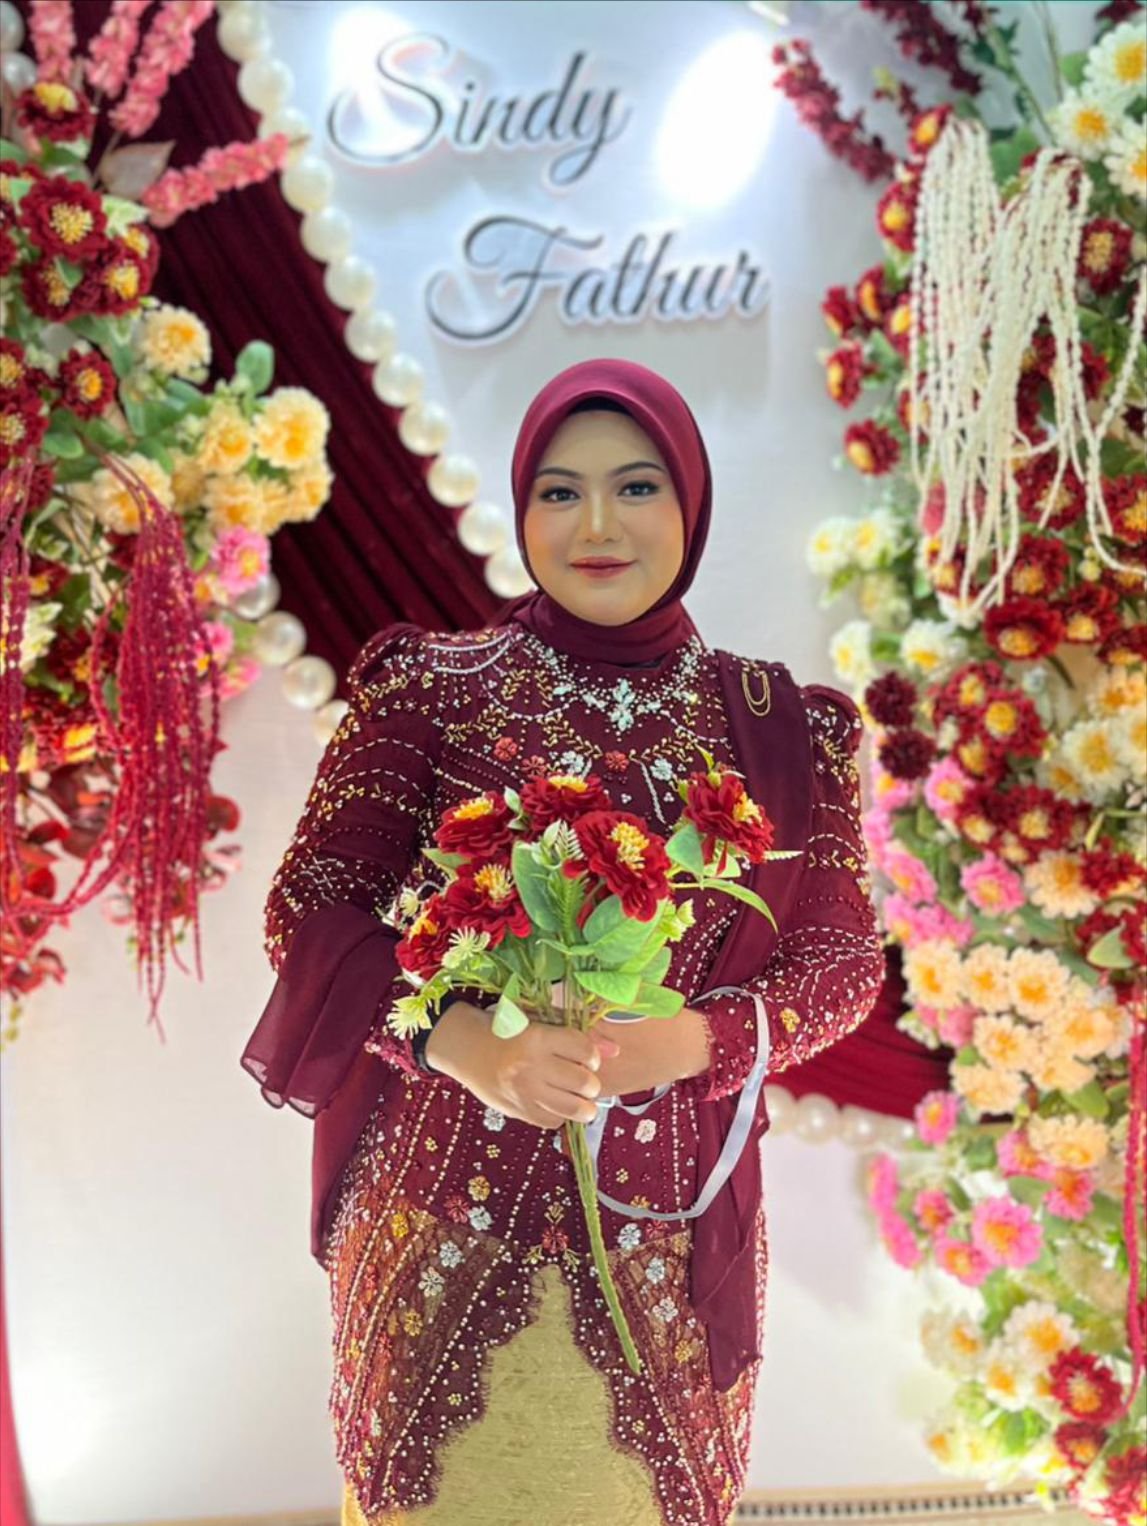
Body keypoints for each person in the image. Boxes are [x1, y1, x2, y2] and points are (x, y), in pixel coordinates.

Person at [241, 359, 886, 1525]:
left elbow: (840, 965)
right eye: (558, 491)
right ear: (522, 504)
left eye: (635, 487)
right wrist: (463, 1044)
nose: (596, 526)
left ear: (689, 503)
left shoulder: (782, 725)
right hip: (439, 1222)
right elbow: (315, 907)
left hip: (670, 1243)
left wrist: (693, 1041)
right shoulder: (430, 689)